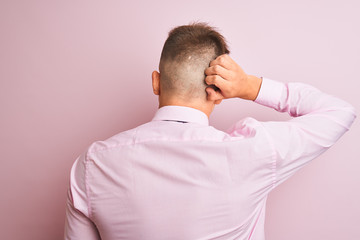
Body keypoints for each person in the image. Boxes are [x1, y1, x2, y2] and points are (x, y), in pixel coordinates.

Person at [64, 23, 356, 240]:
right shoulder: (253, 152)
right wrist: (250, 86)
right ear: (218, 92)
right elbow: (340, 112)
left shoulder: (91, 165)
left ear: (156, 82)